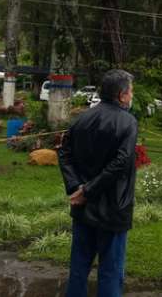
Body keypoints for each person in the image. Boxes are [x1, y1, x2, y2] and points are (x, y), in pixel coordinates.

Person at [58, 69, 138, 297]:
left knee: (78, 269)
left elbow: (64, 152)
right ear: (122, 95)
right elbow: (121, 162)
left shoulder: (82, 118)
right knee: (111, 271)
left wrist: (77, 188)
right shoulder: (128, 122)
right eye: (131, 92)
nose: (132, 96)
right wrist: (87, 191)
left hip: (82, 208)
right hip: (113, 208)